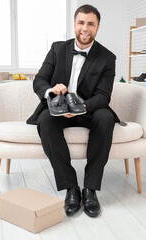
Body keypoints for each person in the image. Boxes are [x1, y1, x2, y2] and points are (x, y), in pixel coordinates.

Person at [27, 4, 120, 218]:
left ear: (97, 27)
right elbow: (39, 80)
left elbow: (103, 96)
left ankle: (90, 189)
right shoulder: (57, 48)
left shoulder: (107, 57)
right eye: (81, 23)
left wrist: (81, 108)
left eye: (90, 24)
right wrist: (51, 91)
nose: (85, 28)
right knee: (45, 121)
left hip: (89, 109)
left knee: (106, 118)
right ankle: (71, 187)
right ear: (75, 24)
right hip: (59, 108)